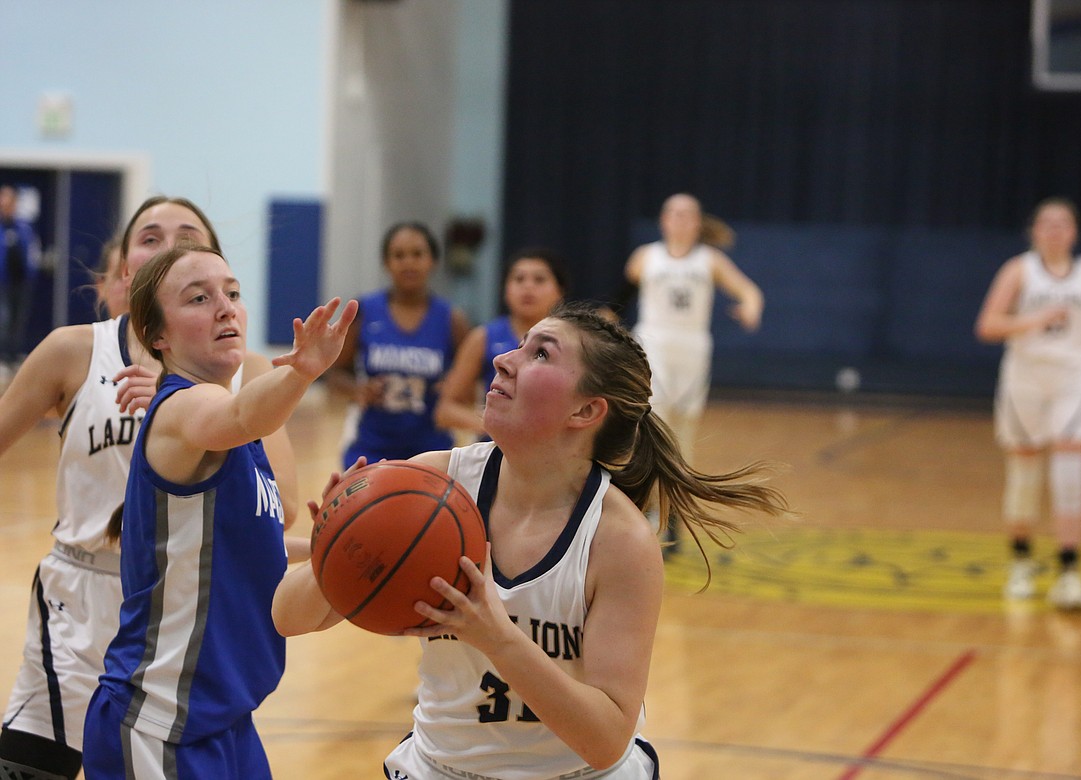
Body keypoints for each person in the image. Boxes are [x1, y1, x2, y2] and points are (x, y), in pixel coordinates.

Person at [273, 301, 787, 780]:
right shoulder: (431, 485)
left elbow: (608, 739)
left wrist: (498, 638)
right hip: (442, 767)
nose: (503, 360)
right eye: (518, 344)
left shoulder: (619, 540)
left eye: (540, 353)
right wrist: (339, 547)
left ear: (586, 412)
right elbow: (288, 618)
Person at [0, 196, 299, 780]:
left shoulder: (244, 376)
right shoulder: (74, 350)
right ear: (125, 268)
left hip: (189, 609)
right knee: (29, 769)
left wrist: (185, 411)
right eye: (151, 237)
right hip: (81, 599)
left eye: (188, 238)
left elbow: (280, 507)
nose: (170, 248)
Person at [82, 244, 356, 779]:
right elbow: (237, 412)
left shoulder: (244, 445)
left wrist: (336, 543)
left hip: (226, 719)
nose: (225, 307)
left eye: (232, 293)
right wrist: (302, 373)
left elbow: (250, 547)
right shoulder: (181, 408)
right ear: (157, 335)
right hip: (160, 722)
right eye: (199, 298)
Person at [975, 197, 1081, 610]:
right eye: (1047, 223)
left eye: (1063, 223)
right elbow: (987, 325)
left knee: (1070, 470)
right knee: (1024, 473)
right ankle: (1021, 562)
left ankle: (1070, 573)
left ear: (1074, 231)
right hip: (1025, 380)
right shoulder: (1018, 270)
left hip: (1072, 379)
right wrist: (1033, 320)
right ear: (1034, 231)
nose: (1055, 230)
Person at [622, 193, 765, 549]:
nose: (681, 219)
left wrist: (750, 307)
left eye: (688, 214)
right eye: (674, 212)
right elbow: (618, 299)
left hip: (693, 353)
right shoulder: (645, 257)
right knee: (653, 428)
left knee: (682, 436)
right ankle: (645, 510)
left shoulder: (710, 260)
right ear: (664, 220)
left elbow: (750, 291)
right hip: (653, 347)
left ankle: (672, 514)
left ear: (698, 222)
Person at [327, 221, 471, 467]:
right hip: (371, 446)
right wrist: (358, 389)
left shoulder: (451, 319)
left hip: (433, 449)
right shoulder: (365, 311)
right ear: (386, 262)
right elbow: (334, 374)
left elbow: (472, 385)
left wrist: (453, 388)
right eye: (399, 255)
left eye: (417, 254)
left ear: (433, 261)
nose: (408, 262)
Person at [434, 246, 568, 438]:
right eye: (518, 279)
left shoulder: (572, 341)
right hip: (497, 453)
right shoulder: (483, 337)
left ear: (560, 291)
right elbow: (445, 411)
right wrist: (494, 423)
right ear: (505, 290)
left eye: (539, 279)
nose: (527, 287)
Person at [0, 184, 43, 368]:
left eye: (9, 201)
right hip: (3, 283)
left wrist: (31, 272)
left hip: (22, 283)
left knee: (18, 321)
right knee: (4, 320)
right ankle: (2, 357)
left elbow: (32, 252)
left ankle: (14, 356)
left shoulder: (24, 228)